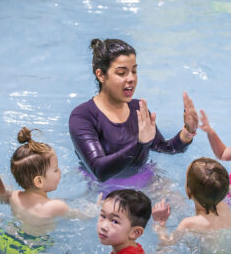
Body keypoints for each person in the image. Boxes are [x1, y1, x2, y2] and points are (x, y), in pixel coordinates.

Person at [69, 38, 198, 183]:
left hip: (144, 178)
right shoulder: (82, 117)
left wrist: (187, 132)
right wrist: (140, 144)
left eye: (134, 71)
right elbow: (100, 171)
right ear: (101, 75)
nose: (131, 78)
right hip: (104, 189)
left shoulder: (138, 109)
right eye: (122, 73)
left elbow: (164, 147)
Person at [9, 127, 100, 233]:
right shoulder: (56, 206)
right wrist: (96, 208)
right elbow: (83, 216)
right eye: (56, 170)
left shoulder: (14, 196)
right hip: (34, 247)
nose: (60, 171)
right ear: (39, 181)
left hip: (10, 238)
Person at [152, 158, 231, 243]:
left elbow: (167, 244)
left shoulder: (188, 223)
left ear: (188, 191)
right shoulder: (225, 207)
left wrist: (161, 224)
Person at [97, 189, 155, 254]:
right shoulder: (135, 250)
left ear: (135, 232)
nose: (103, 226)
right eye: (103, 216)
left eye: (115, 221)